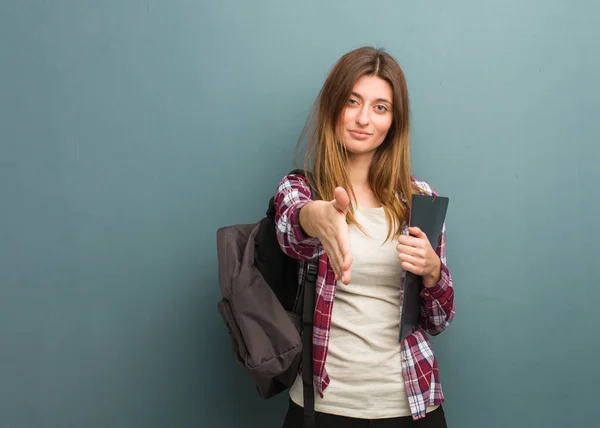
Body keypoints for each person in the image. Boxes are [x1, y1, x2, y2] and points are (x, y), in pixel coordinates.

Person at [273, 46, 455, 428]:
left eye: (380, 107)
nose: (362, 118)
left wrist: (433, 272)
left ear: (393, 121)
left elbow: (438, 320)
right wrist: (316, 216)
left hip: (412, 403)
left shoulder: (419, 199)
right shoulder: (302, 188)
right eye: (352, 101)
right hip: (325, 407)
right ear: (333, 107)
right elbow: (291, 231)